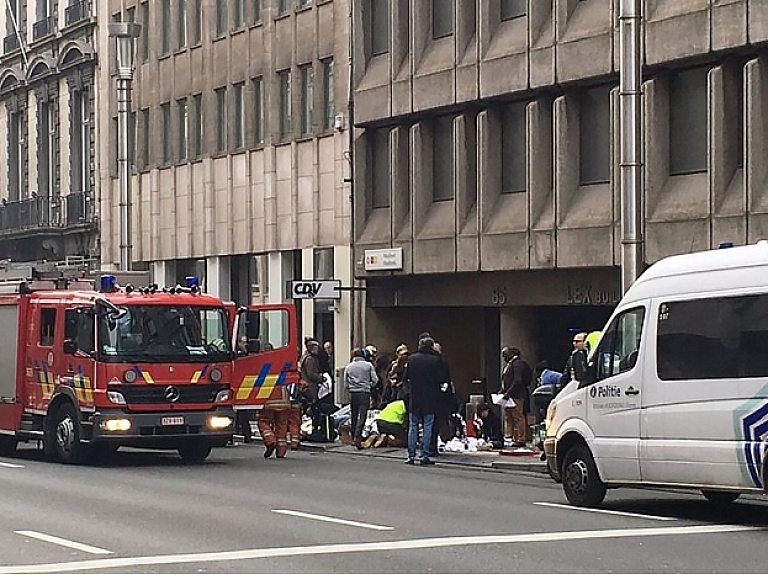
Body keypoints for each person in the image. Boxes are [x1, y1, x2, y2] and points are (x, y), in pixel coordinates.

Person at [403, 336, 449, 465]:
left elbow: (406, 378)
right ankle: (424, 455)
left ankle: (411, 455)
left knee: (413, 426)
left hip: (415, 396)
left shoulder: (412, 359)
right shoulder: (435, 361)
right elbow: (442, 379)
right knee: (428, 426)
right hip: (430, 397)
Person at [343, 347, 379, 449]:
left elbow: (345, 384)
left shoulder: (349, 367)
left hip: (353, 393)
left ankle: (353, 435)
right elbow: (375, 380)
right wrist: (368, 385)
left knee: (353, 414)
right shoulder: (368, 365)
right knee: (362, 415)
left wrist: (351, 388)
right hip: (364, 392)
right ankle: (358, 436)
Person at [498, 346, 533, 447]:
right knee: (508, 416)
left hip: (516, 395)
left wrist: (507, 393)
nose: (504, 358)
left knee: (518, 416)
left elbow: (517, 381)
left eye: (505, 355)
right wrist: (502, 392)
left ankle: (521, 438)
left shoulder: (518, 364)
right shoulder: (510, 364)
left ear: (511, 354)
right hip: (509, 394)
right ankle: (509, 437)